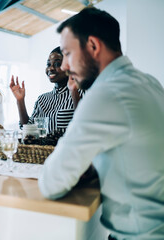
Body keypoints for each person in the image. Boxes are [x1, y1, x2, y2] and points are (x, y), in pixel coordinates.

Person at [38, 7, 164, 239]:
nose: (65, 66)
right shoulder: (149, 83)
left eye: (67, 53)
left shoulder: (106, 95)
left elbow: (51, 183)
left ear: (93, 47)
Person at [10, 47, 83, 133]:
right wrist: (20, 100)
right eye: (48, 65)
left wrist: (74, 91)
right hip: (42, 147)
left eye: (57, 64)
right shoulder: (42, 99)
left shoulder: (82, 93)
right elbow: (28, 130)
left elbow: (85, 126)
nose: (51, 68)